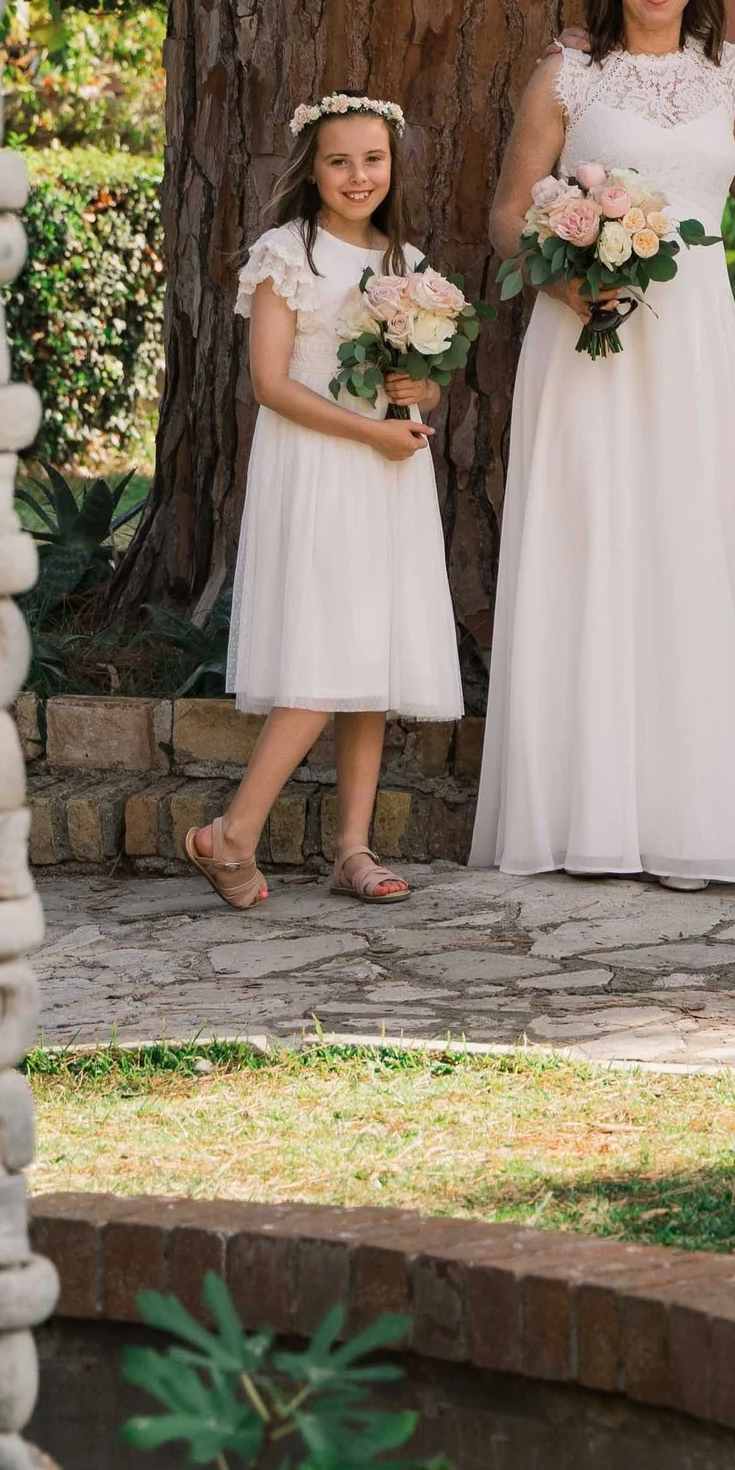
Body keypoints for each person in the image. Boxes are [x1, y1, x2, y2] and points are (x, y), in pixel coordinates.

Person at [470, 0, 735, 888]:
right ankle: (582, 813)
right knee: (589, 546)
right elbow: (507, 213)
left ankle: (689, 810)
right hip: (586, 333)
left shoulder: (729, 75)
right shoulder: (567, 76)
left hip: (694, 331)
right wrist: (567, 277)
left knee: (687, 546)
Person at [188, 95, 464, 910]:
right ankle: (230, 834)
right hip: (320, 465)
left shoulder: (405, 263)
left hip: (386, 473)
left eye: (372, 160)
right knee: (327, 648)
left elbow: (419, 383)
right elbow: (270, 384)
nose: (358, 176)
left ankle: (352, 845)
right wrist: (365, 430)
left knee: (368, 658)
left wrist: (421, 392)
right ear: (312, 166)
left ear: (393, 166)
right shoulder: (286, 253)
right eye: (340, 161)